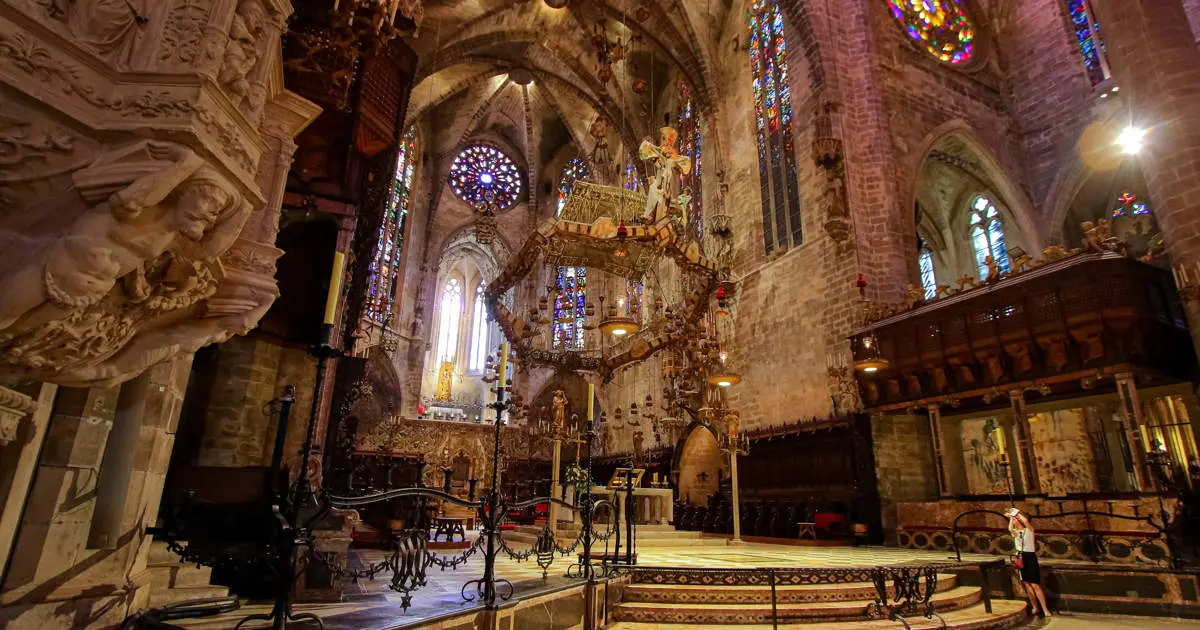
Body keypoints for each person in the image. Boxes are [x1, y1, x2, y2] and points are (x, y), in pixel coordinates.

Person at [1007, 507, 1051, 617]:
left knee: (1035, 584)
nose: (1015, 521)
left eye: (1016, 519)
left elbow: (1026, 521)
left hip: (1030, 557)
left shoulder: (1029, 530)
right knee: (1027, 584)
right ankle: (1035, 607)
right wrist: (1012, 517)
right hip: (1020, 556)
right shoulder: (1016, 533)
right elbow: (1010, 528)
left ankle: (1045, 609)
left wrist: (1016, 512)